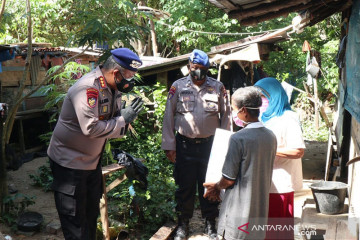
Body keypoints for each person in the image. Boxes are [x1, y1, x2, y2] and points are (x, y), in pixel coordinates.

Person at [47, 48, 144, 240]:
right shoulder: (88, 88)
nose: (131, 81)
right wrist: (122, 121)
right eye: (129, 76)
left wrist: (123, 118)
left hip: (91, 163)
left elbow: (110, 124)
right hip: (69, 164)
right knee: (75, 222)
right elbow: (90, 129)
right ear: (115, 73)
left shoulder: (113, 88)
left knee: (90, 217)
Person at [161, 49, 231, 240]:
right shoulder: (178, 86)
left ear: (207, 69)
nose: (197, 71)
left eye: (201, 68)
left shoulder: (218, 88)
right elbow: (168, 116)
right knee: (184, 186)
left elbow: (226, 117)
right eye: (194, 67)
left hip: (210, 147)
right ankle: (183, 225)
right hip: (184, 146)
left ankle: (210, 224)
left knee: (210, 185)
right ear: (189, 66)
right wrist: (169, 145)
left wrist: (224, 146)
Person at [203, 86, 277, 240]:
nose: (233, 111)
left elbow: (228, 179)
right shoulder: (271, 136)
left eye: (234, 107)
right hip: (260, 209)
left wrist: (215, 187)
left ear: (243, 110)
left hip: (238, 212)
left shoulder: (239, 138)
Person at [254, 77, 306, 240]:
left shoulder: (288, 118)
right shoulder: (265, 116)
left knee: (277, 230)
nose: (260, 101)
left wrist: (269, 150)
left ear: (273, 96)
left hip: (280, 183)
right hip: (264, 180)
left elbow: (298, 151)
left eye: (262, 97)